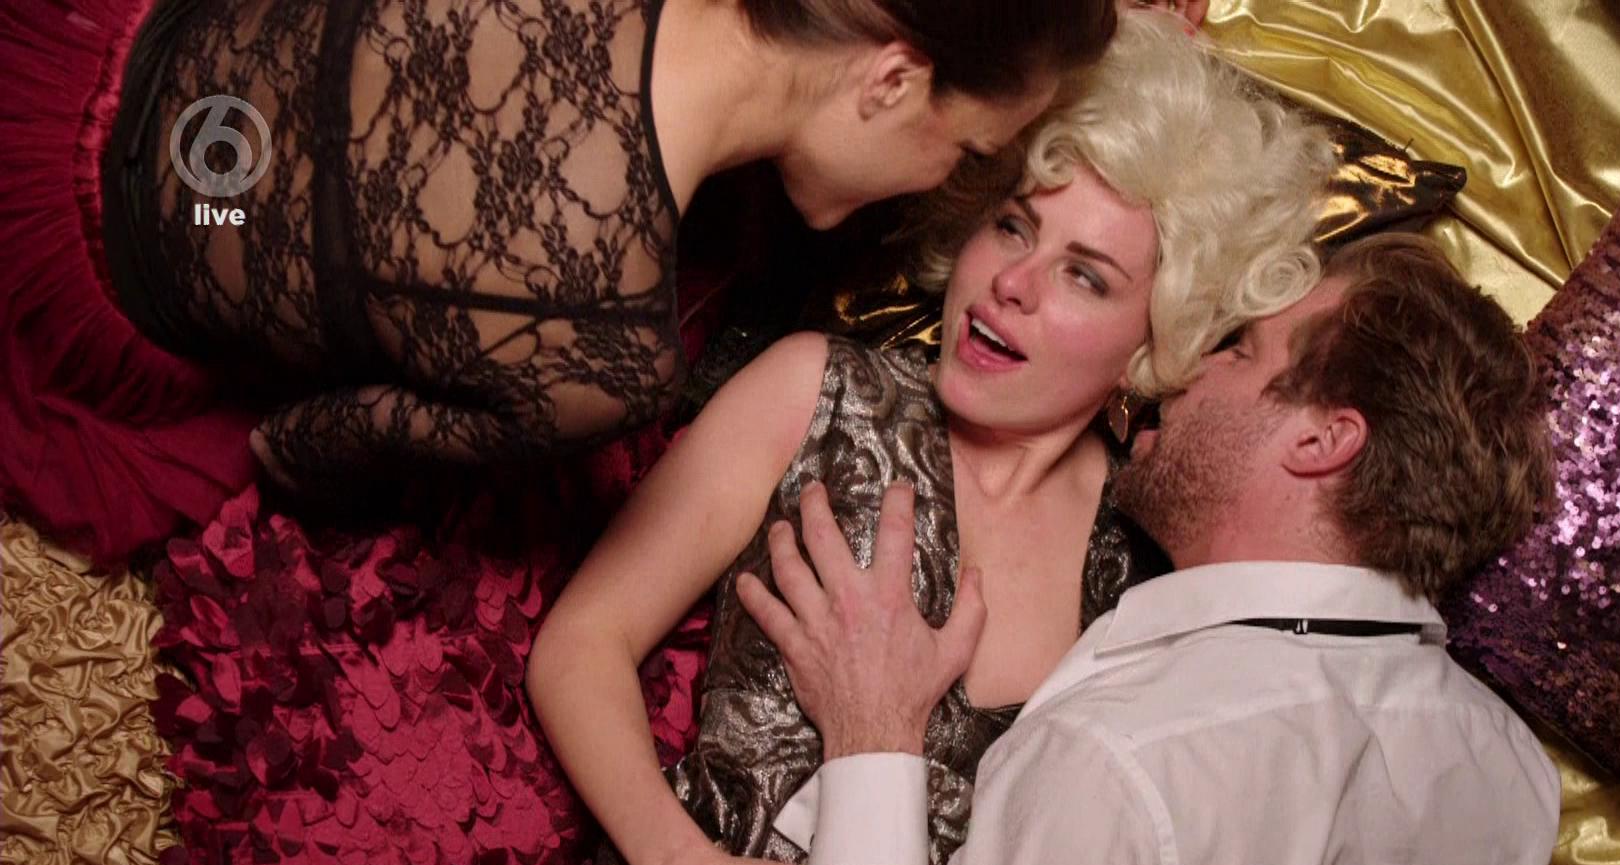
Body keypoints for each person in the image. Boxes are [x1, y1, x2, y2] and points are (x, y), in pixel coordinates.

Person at [422, 14, 1333, 865]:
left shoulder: (1140, 581)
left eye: (1086, 275)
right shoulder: (816, 391)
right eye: (1013, 226)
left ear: (1157, 336)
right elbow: (581, 644)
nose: (1014, 282)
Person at [741, 233, 1563, 865]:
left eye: (1239, 348)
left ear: (1323, 441)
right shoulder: (1514, 779)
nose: (1185, 367)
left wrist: (872, 733)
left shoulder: (1131, 754)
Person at [0, 0, 1117, 561]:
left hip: (69, 43)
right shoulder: (604, 351)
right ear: (890, 81)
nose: (945, 188)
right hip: (65, 280)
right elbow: (292, 446)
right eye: (968, 154)